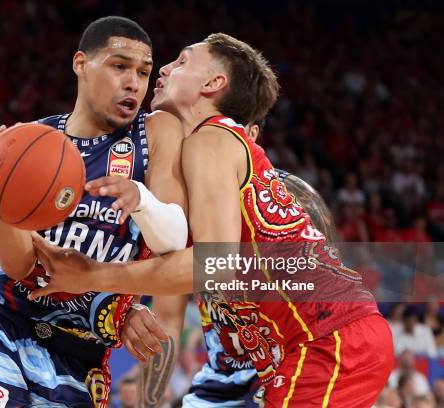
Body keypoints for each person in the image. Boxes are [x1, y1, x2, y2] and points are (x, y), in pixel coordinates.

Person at [31, 33, 394, 407]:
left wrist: (91, 274)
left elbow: (217, 265)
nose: (165, 68)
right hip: (299, 350)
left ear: (213, 83)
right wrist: (149, 400)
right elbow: (168, 315)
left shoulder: (212, 139)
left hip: (327, 337)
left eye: (183, 61)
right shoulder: (186, 172)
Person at [0, 16, 188, 407]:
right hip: (6, 330)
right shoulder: (32, 142)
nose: (134, 83)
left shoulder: (155, 132)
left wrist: (139, 196)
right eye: (119, 65)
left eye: (143, 72)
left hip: (82, 357)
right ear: (81, 64)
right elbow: (18, 264)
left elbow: (173, 242)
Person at [125, 121, 341, 408]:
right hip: (219, 380)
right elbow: (166, 320)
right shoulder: (186, 212)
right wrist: (147, 402)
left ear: (249, 138)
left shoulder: (290, 203)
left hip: (286, 371)